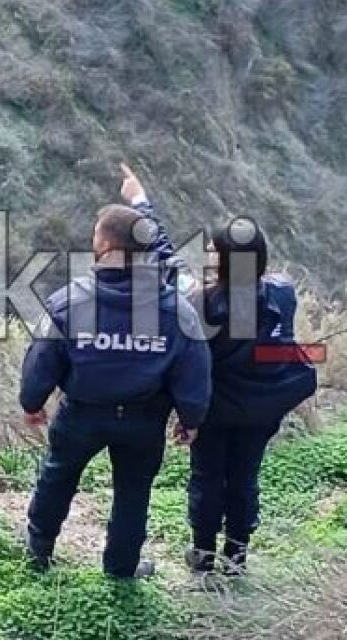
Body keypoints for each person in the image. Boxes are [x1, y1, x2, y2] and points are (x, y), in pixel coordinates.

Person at [119, 165, 317, 577]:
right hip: (263, 406)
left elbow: (164, 258)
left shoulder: (200, 302)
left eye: (212, 250)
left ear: (223, 260)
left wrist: (140, 202)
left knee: (208, 475)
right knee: (245, 476)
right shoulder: (281, 292)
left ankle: (204, 554)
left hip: (215, 407)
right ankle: (237, 555)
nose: (206, 252)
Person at [20, 204, 212, 579]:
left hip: (81, 415)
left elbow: (42, 357)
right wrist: (192, 418)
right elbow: (195, 368)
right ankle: (121, 569)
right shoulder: (176, 310)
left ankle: (38, 550)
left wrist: (32, 402)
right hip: (143, 420)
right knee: (133, 493)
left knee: (58, 476)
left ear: (105, 243)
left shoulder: (69, 301)